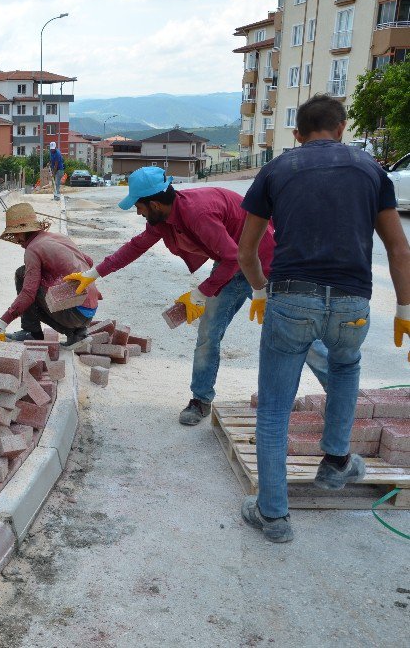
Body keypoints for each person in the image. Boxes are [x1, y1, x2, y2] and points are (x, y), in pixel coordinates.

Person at [237, 94, 410, 543]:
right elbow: (398, 248)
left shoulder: (277, 169)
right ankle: (335, 462)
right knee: (345, 366)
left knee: (275, 407)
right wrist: (404, 308)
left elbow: (246, 249)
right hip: (353, 303)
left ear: (297, 134)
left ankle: (273, 517)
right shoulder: (371, 170)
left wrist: (259, 291)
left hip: (292, 299)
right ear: (341, 127)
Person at [66, 166, 329, 425]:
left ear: (155, 203)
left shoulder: (197, 212)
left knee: (296, 334)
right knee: (208, 334)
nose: (138, 211)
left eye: (139, 205)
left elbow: (232, 257)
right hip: (231, 265)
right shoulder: (163, 220)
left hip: (266, 266)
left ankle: (340, 396)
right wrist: (94, 274)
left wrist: (201, 294)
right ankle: (200, 399)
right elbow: (135, 247)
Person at [0, 202, 102, 347]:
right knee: (39, 280)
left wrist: (1, 323)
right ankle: (77, 335)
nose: (16, 240)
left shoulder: (33, 249)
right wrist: (56, 279)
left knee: (22, 274)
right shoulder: (59, 237)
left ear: (22, 231)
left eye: (14, 234)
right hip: (89, 311)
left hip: (73, 314)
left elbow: (28, 294)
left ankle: (31, 332)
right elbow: (88, 261)